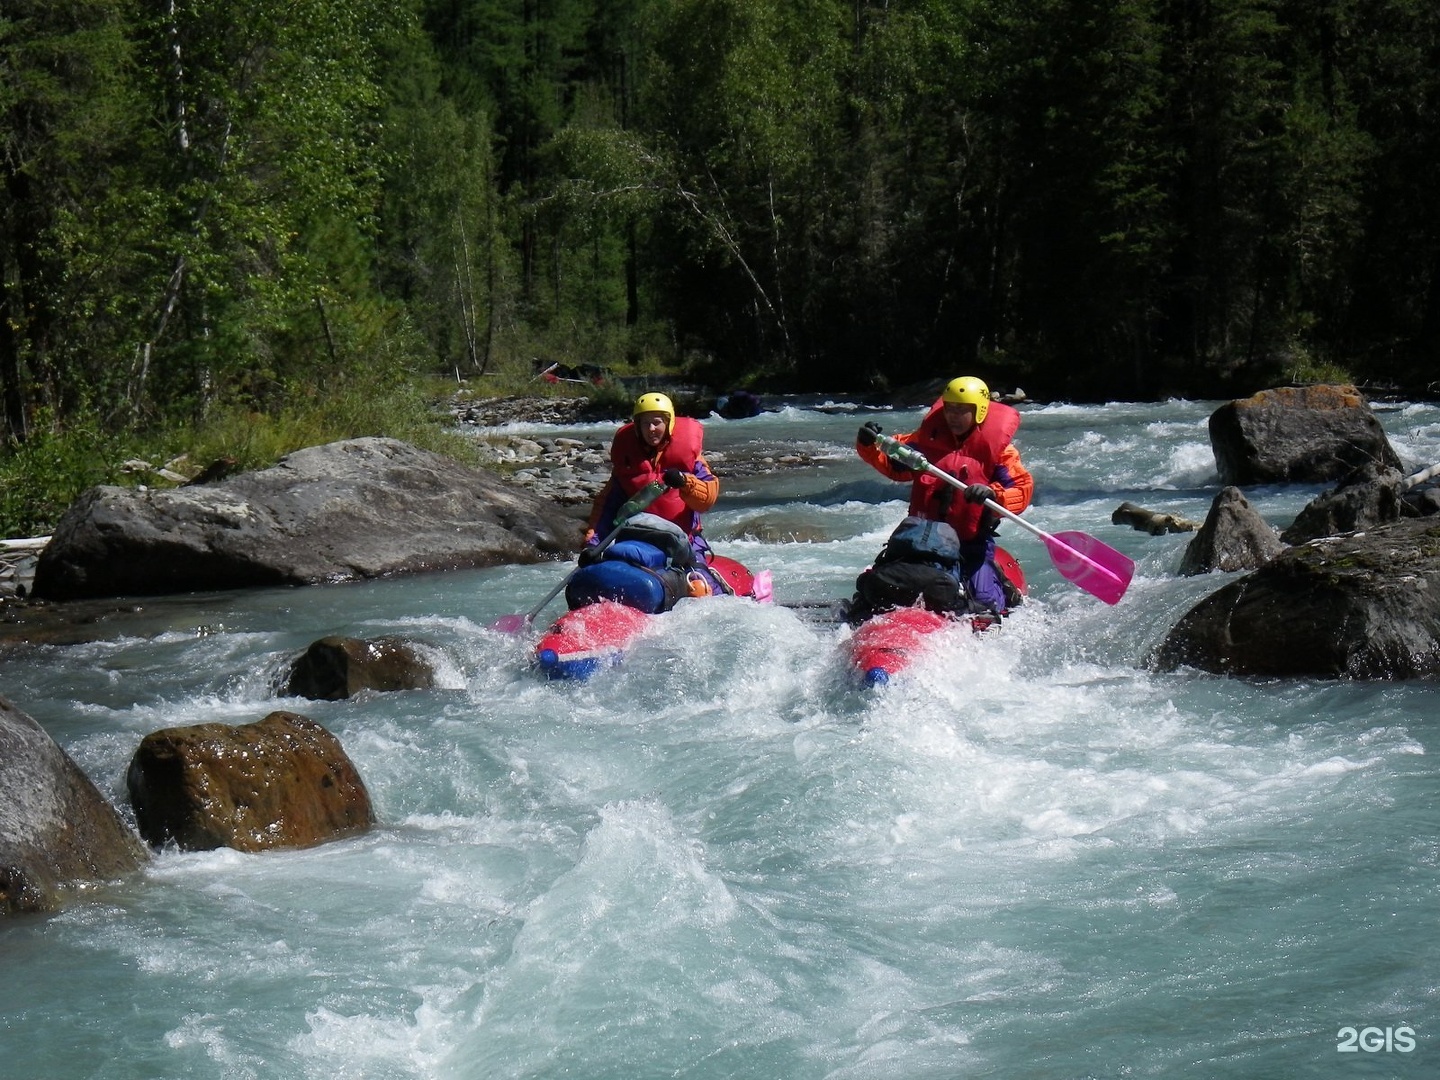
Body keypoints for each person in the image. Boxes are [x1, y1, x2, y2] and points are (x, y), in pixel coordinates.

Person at [855, 375, 1033, 614]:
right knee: (873, 591)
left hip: (970, 544)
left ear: (979, 411)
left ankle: (1001, 585)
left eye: (962, 410)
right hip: (922, 540)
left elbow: (1021, 489)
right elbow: (893, 465)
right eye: (950, 409)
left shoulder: (1000, 453)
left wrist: (994, 494)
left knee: (985, 603)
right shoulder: (925, 440)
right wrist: (868, 444)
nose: (953, 416)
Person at [582, 392, 720, 572]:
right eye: (645, 423)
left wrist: (685, 482)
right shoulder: (627, 463)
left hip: (685, 540)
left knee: (698, 587)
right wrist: (593, 545)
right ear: (637, 427)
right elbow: (607, 506)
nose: (651, 429)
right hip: (638, 539)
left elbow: (707, 499)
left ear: (668, 424)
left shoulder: (690, 459)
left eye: (657, 422)